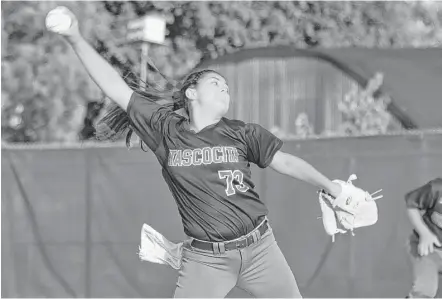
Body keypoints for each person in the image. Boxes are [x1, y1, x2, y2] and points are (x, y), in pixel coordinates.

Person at [48, 7, 345, 298]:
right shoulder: (166, 130)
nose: (224, 89)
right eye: (216, 83)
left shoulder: (242, 132)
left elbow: (286, 162)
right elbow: (114, 86)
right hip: (207, 262)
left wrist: (333, 189)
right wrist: (75, 37)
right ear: (191, 93)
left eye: (227, 87)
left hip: (261, 250)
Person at [405, 178, 442, 298]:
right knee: (426, 289)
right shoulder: (437, 188)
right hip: (429, 248)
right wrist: (425, 234)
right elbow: (412, 204)